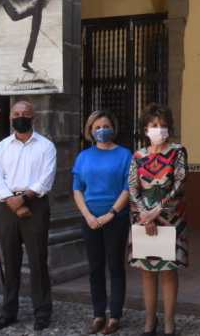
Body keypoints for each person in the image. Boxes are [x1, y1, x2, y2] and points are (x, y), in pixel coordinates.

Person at [0, 100, 56, 331]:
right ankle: (9, 311)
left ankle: (42, 312)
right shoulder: (1, 147)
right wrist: (14, 202)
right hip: (7, 207)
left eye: (25, 113)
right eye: (16, 113)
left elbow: (46, 178)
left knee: (38, 261)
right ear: (10, 117)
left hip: (35, 205)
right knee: (10, 261)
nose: (20, 117)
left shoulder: (46, 146)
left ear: (33, 117)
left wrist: (24, 199)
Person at [129, 104, 188, 336]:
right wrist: (145, 215)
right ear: (145, 128)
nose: (159, 129)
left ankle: (169, 323)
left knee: (168, 271)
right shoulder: (138, 156)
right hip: (143, 220)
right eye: (154, 125)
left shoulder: (177, 151)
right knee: (147, 271)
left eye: (163, 125)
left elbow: (180, 184)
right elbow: (132, 187)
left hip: (171, 219)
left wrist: (158, 211)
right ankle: (149, 321)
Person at [72, 110, 132, 335]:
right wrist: (87, 215)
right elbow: (77, 189)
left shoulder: (125, 155)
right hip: (90, 219)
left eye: (105, 126)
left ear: (113, 128)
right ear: (90, 130)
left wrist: (112, 213)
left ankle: (115, 316)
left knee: (115, 266)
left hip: (116, 218)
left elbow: (128, 188)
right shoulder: (83, 157)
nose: (101, 130)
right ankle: (98, 314)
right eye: (97, 127)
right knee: (95, 268)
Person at [0, 0, 59, 73]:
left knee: (34, 36)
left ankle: (26, 62)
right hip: (34, 6)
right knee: (16, 16)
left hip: (39, 10)